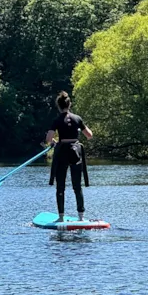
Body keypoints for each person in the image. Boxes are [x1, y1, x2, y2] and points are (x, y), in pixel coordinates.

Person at [45, 91, 92, 223]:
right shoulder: (78, 118)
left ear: (59, 106)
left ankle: (61, 217)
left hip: (62, 152)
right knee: (77, 185)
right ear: (69, 104)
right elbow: (89, 135)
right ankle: (81, 216)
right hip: (75, 152)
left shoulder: (57, 120)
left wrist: (53, 141)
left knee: (60, 186)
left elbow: (48, 139)